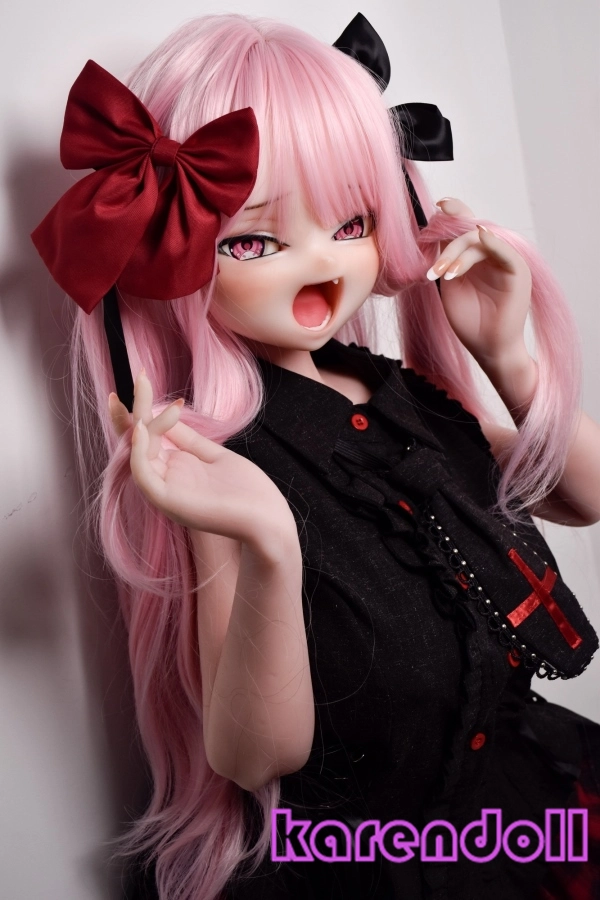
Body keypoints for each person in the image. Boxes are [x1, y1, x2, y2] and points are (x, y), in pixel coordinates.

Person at [31, 13, 600, 900]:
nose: (324, 267)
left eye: (352, 222)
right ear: (174, 251)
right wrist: (268, 543)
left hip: (516, 810)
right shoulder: (226, 462)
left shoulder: (395, 394)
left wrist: (510, 360)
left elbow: (579, 496)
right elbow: (255, 755)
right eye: (254, 242)